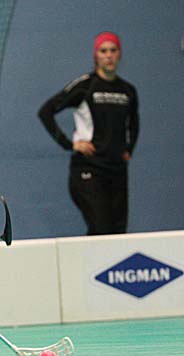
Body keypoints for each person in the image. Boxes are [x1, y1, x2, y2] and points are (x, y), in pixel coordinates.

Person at [38, 31, 139, 235]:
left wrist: (129, 149)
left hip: (117, 171)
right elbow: (46, 111)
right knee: (101, 226)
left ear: (119, 54)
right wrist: (69, 144)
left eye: (113, 50)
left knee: (118, 232)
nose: (108, 56)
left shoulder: (128, 90)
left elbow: (134, 122)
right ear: (96, 55)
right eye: (103, 51)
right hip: (88, 169)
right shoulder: (85, 86)